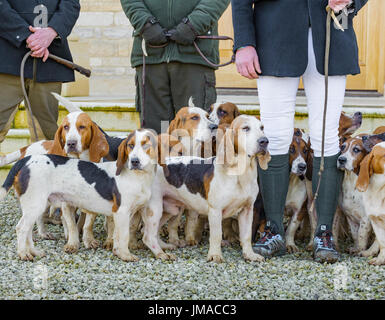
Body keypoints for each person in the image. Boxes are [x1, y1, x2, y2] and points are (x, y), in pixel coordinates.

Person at [232, 0, 368, 263]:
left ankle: (324, 233)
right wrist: (244, 42)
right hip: (273, 38)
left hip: (331, 36)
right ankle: (272, 229)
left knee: (327, 136)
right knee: (275, 136)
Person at [120, 0, 230, 134]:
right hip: (150, 55)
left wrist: (193, 25)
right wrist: (145, 24)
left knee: (197, 135)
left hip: (195, 55)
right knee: (157, 135)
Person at [0, 0, 81, 146]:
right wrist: (25, 35)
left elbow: (71, 3)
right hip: (6, 58)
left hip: (49, 62)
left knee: (47, 138)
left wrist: (52, 31)